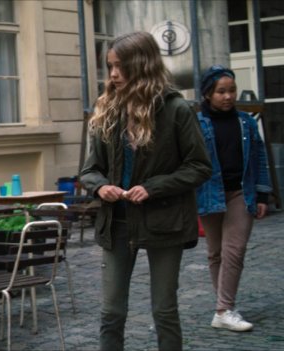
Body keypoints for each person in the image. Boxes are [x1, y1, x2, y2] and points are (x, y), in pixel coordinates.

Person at [80, 31, 212, 350]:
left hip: (164, 221)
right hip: (117, 222)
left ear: (142, 65)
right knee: (111, 312)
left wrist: (152, 187)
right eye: (110, 66)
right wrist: (102, 187)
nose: (113, 74)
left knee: (164, 311)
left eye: (120, 66)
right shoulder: (107, 110)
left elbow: (199, 166)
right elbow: (89, 171)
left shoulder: (176, 109)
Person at [195, 65, 271, 332]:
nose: (228, 96)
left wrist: (263, 194)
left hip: (241, 192)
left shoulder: (246, 122)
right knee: (215, 253)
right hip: (210, 193)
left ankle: (223, 309)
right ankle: (224, 309)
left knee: (234, 250)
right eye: (221, 91)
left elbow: (259, 157)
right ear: (208, 94)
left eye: (232, 90)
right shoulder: (196, 124)